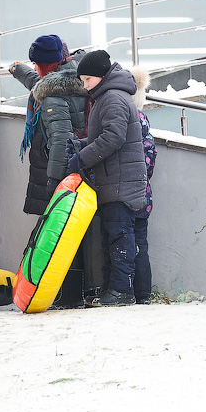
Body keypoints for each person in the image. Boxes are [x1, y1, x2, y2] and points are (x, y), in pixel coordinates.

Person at [67, 50, 147, 308]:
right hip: (117, 179)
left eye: (87, 79)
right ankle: (121, 290)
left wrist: (82, 158)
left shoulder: (112, 98)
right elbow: (104, 135)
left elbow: (113, 138)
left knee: (119, 237)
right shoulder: (108, 96)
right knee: (116, 236)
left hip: (120, 182)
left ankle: (122, 292)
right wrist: (80, 145)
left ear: (101, 76)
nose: (84, 85)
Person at [9, 34, 88, 215]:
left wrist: (54, 186)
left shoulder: (54, 96)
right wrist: (18, 69)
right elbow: (37, 82)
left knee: (57, 236)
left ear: (47, 65)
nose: (35, 69)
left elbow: (61, 142)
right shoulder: (71, 77)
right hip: (73, 172)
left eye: (37, 64)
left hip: (59, 176)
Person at [131, 65, 156, 305]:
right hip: (143, 193)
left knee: (127, 244)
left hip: (130, 193)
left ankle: (132, 291)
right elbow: (150, 156)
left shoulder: (130, 119)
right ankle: (144, 293)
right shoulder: (143, 121)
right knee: (141, 244)